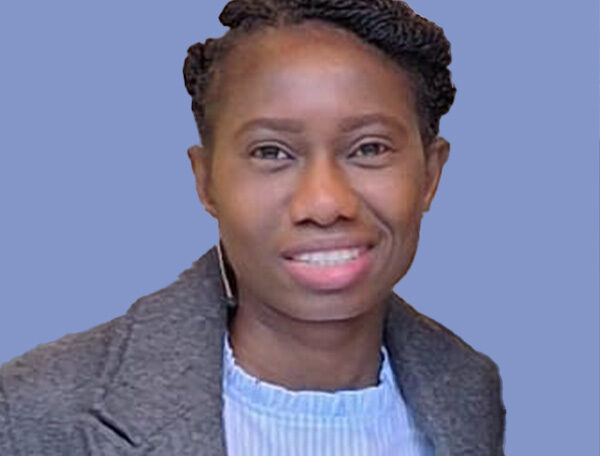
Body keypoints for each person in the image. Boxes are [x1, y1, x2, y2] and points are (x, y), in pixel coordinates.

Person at [0, 0, 506, 454]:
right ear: (206, 182)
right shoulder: (33, 411)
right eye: (271, 152)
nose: (325, 204)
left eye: (369, 148)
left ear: (430, 175)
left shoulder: (470, 392)